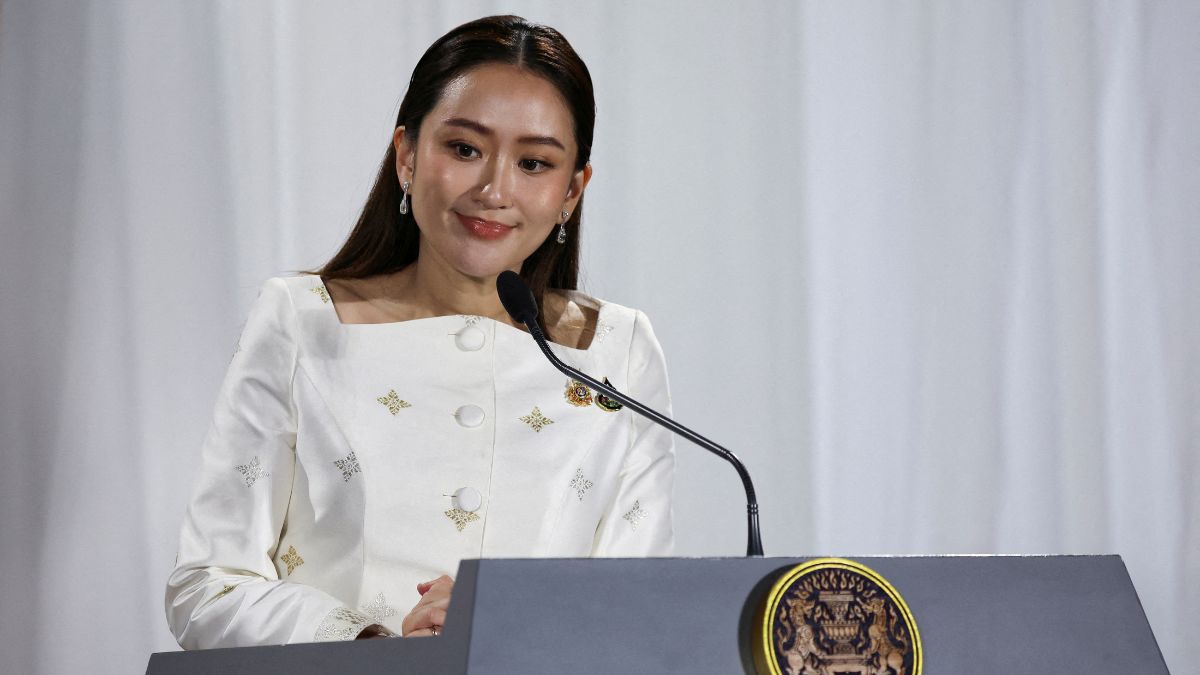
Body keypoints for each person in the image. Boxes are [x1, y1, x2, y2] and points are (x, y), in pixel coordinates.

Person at [165, 15, 675, 648]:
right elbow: (208, 587)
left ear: (573, 191)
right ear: (406, 155)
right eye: (464, 149)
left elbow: (639, 611)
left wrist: (510, 619)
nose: (494, 190)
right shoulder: (303, 321)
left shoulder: (617, 351)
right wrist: (373, 646)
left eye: (535, 163)